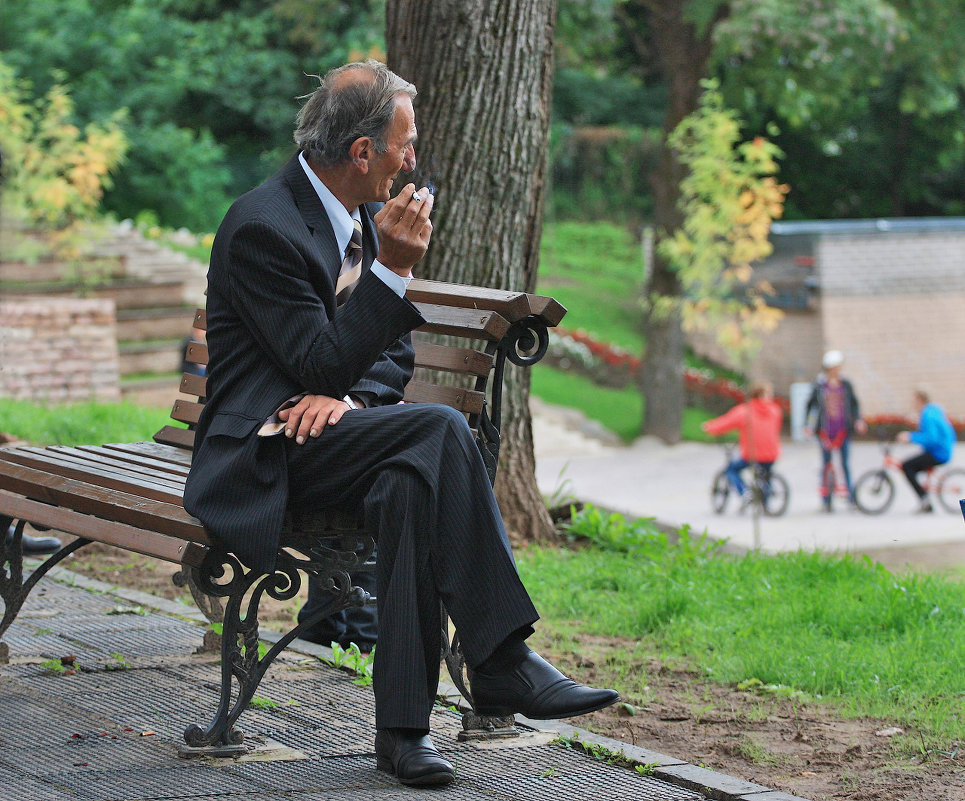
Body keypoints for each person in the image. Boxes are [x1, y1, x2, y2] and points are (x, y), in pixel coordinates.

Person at [182, 60, 618, 788]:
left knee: (408, 485)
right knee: (441, 432)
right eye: (404, 144)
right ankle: (501, 660)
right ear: (361, 152)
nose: (412, 159)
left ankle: (403, 734)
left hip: (333, 438)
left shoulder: (357, 216)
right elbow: (318, 359)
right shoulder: (264, 226)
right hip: (260, 456)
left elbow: (389, 355)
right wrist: (389, 276)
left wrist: (347, 401)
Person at [804, 350, 867, 510]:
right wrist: (808, 425)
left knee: (845, 463)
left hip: (843, 430)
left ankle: (851, 498)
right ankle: (826, 499)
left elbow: (854, 404)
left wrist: (858, 420)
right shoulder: (819, 386)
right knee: (826, 465)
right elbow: (810, 406)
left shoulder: (845, 384)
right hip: (825, 431)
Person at [701, 380, 783, 503]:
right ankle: (765, 500)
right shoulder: (775, 411)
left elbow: (725, 423)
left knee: (731, 469)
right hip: (772, 453)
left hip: (752, 454)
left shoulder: (745, 411)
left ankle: (744, 492)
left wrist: (709, 427)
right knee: (765, 473)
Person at [896, 389, 956, 513]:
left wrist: (910, 437)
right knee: (914, 465)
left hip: (938, 453)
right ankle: (925, 496)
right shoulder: (934, 410)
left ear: (919, 399)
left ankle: (924, 499)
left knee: (907, 466)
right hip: (942, 450)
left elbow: (931, 438)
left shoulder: (927, 414)